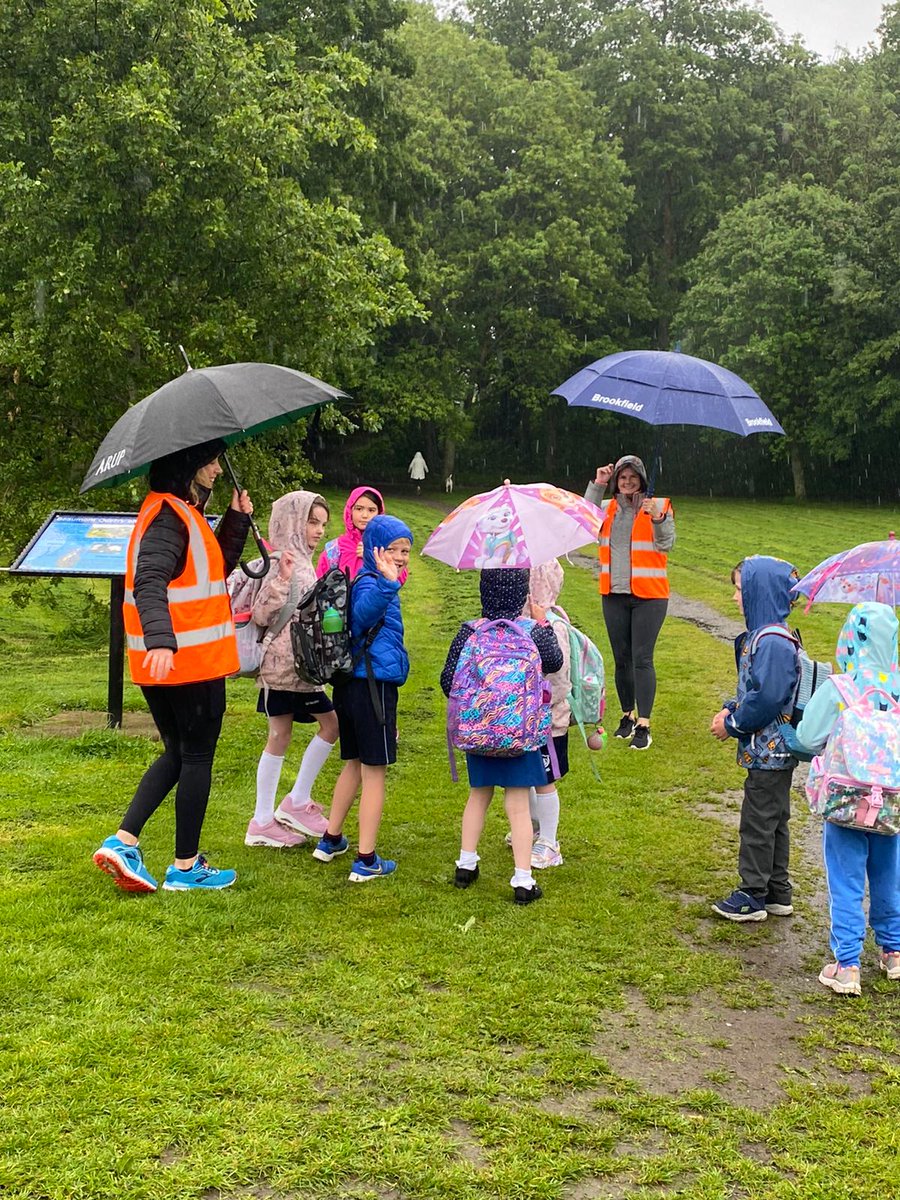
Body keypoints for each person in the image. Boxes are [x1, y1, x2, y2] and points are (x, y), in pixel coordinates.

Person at [92, 440, 252, 893]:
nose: (218, 469)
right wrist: (163, 640)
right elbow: (149, 580)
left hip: (166, 663)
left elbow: (212, 569)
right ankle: (185, 867)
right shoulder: (170, 517)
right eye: (211, 460)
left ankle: (123, 841)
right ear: (188, 464)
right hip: (187, 662)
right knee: (196, 755)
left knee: (178, 753)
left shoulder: (178, 511)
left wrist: (237, 520)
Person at [788, 602, 900, 996]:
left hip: (846, 799)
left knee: (846, 877)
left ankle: (847, 963)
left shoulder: (841, 686)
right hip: (891, 801)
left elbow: (806, 737)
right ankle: (894, 951)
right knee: (889, 872)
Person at [441, 568, 563, 905]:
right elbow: (554, 662)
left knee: (478, 796)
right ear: (522, 595)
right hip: (519, 735)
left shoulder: (470, 632)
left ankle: (466, 864)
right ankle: (523, 879)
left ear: (484, 593)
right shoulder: (531, 632)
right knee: (519, 806)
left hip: (479, 732)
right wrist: (543, 623)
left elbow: (448, 680)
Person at [311, 513, 414, 881]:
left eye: (405, 551)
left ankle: (330, 839)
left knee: (353, 763)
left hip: (352, 687)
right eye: (394, 549)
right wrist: (388, 584)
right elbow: (362, 615)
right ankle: (366, 859)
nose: (401, 557)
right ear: (375, 550)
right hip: (372, 687)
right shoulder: (373, 583)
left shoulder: (371, 580)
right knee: (375, 772)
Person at [710, 556, 800, 922]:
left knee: (758, 822)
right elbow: (756, 689)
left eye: (740, 590)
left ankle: (752, 894)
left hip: (771, 751)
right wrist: (731, 707)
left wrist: (733, 724)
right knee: (774, 819)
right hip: (770, 753)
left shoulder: (772, 641)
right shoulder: (768, 637)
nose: (735, 598)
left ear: (760, 593)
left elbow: (767, 698)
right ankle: (778, 890)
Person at [246, 491, 337, 848]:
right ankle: (266, 818)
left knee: (324, 726)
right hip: (282, 670)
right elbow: (261, 614)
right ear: (294, 522)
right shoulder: (280, 560)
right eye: (312, 522)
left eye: (322, 524)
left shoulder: (305, 559)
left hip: (302, 670)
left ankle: (291, 804)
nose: (317, 531)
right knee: (286, 735)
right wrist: (282, 579)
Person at [585, 456, 674, 750]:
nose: (627, 483)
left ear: (642, 480)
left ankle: (644, 725)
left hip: (650, 596)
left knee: (642, 658)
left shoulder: (658, 505)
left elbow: (666, 544)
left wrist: (657, 518)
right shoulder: (607, 509)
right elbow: (585, 519)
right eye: (622, 478)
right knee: (621, 658)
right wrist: (597, 484)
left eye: (632, 478)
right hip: (614, 594)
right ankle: (627, 716)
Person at [523, 560, 570, 869]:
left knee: (545, 779)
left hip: (549, 721)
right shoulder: (521, 623)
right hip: (525, 719)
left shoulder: (553, 626)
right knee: (527, 776)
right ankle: (532, 828)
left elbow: (560, 677)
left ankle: (550, 842)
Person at [316, 487, 384, 581]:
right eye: (359, 509)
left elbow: (398, 578)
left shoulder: (385, 546)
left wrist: (373, 559)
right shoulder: (334, 549)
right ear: (350, 511)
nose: (365, 515)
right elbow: (319, 584)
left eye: (371, 510)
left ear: (379, 513)